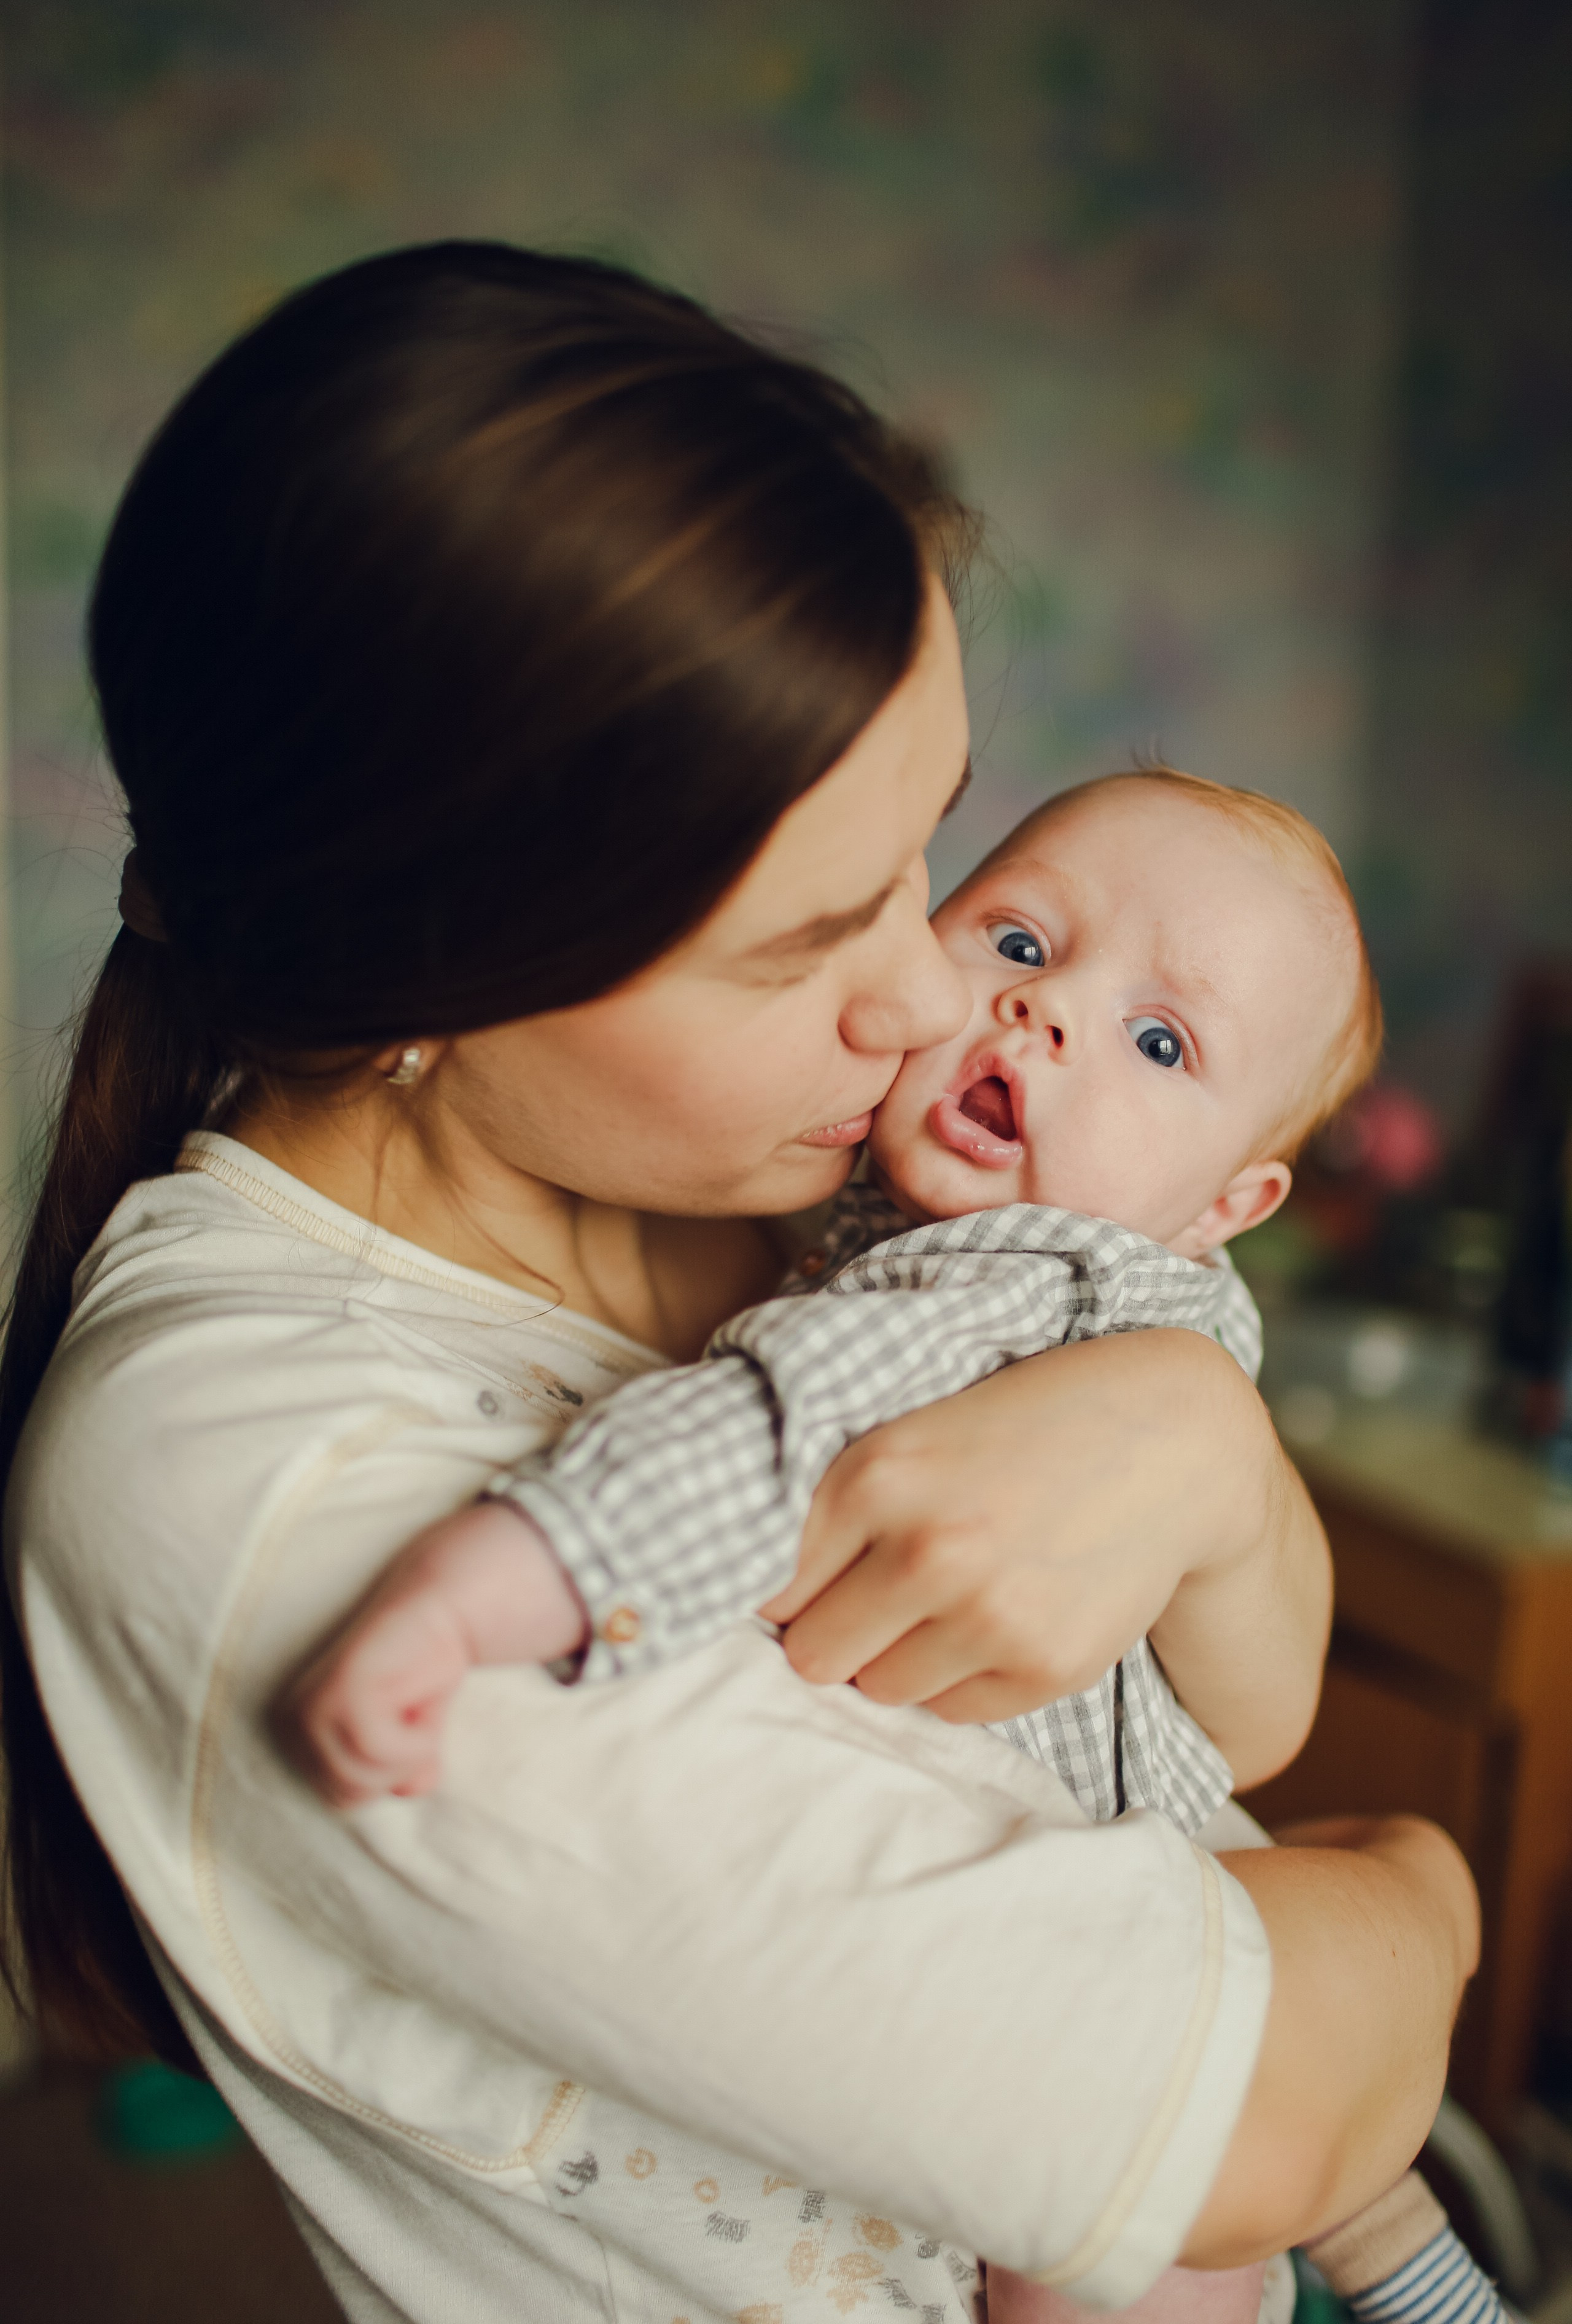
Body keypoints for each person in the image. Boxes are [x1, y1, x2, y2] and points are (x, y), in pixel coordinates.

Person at [1, 243, 1477, 2324]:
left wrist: (1197, 1440)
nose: (930, 999)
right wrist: (1424, 1892)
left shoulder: (798, 1206)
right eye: (801, 944)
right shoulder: (256, 1478)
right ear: (424, 965)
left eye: (931, 860)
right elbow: (1268, 2122)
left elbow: (1240, 1692)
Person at [288, 765, 1502, 2324]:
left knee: (1105, 2263)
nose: (1043, 1016)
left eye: (1158, 1042)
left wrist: (503, 1580)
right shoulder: (892, 1236)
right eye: (1014, 943)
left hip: (1120, 1897)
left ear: (1227, 1202)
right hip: (1161, 1862)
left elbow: (766, 1426)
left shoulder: (1015, 1277)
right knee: (1352, 2214)